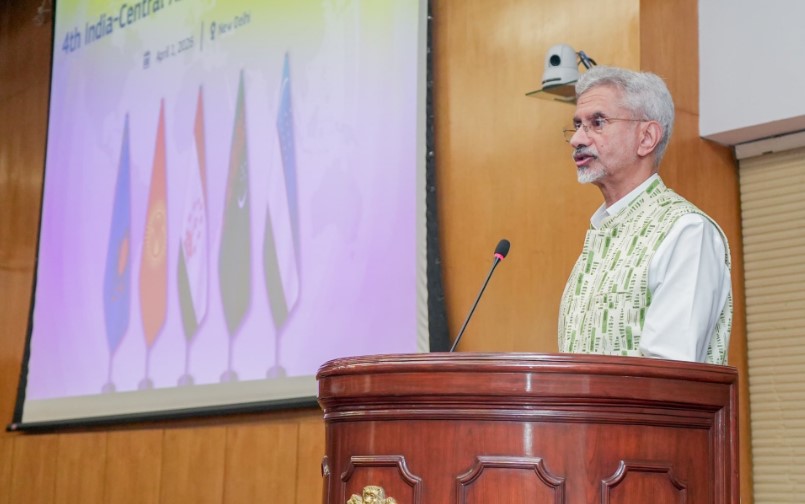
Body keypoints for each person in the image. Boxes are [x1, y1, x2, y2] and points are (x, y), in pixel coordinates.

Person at [557, 66, 732, 364]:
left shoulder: (685, 231)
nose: (577, 140)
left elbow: (669, 373)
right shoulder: (601, 233)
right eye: (577, 125)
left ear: (647, 138)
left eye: (597, 123)